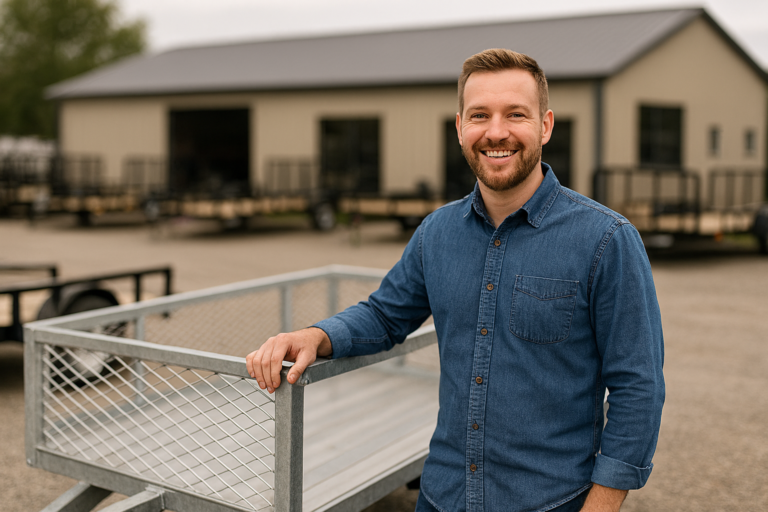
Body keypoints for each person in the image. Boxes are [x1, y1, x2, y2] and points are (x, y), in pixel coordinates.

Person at [246, 48, 665, 512]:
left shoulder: (606, 239)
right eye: (479, 115)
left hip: (551, 502)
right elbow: (385, 315)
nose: (496, 132)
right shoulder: (436, 233)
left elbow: (638, 386)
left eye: (516, 114)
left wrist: (602, 505)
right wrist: (314, 335)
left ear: (545, 126)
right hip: (442, 497)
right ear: (460, 127)